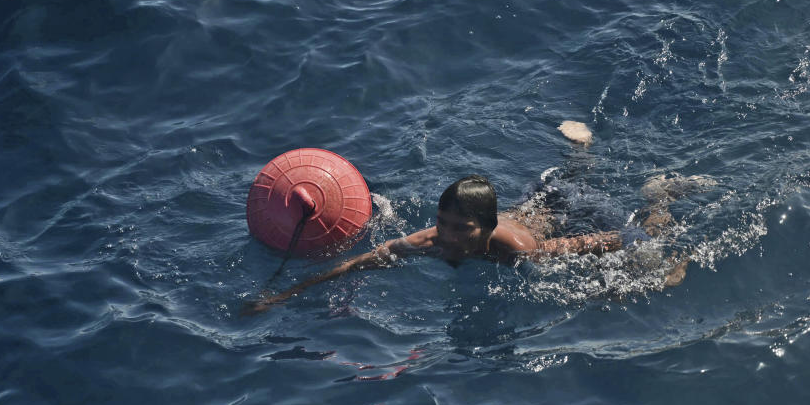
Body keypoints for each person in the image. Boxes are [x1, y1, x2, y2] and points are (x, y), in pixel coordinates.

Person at [241, 123, 711, 316]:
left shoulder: (515, 249)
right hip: (537, 200)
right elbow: (356, 263)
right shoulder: (433, 241)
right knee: (558, 180)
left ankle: (660, 192)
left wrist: (650, 270)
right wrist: (282, 294)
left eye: (459, 229)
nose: (447, 236)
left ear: (484, 230)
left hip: (571, 220)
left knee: (648, 228)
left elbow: (600, 245)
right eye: (443, 223)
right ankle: (579, 151)